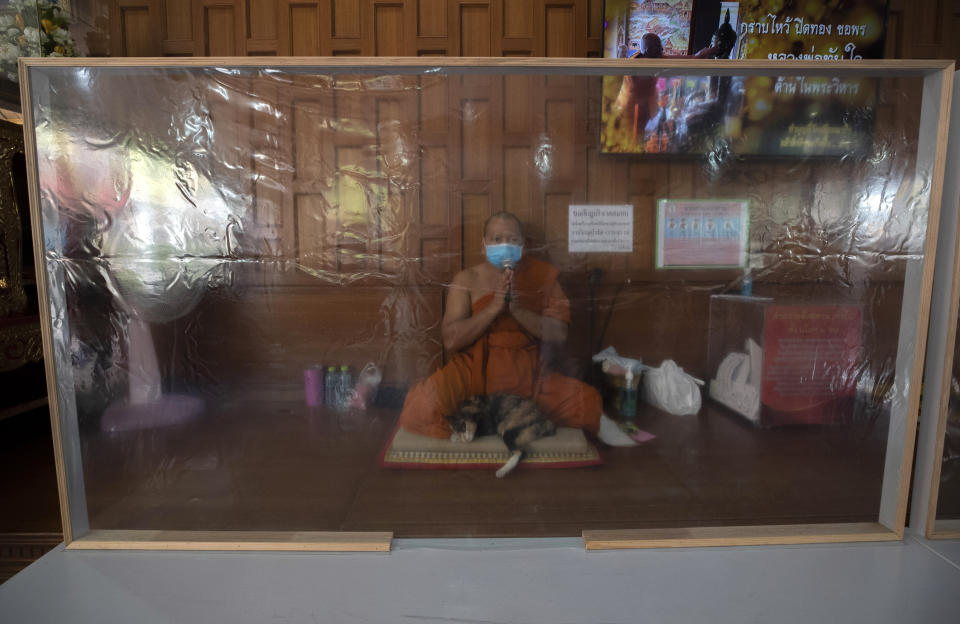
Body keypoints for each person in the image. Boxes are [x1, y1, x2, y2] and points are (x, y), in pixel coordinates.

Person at [398, 212, 635, 446]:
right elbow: (450, 341)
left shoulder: (543, 277)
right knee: (420, 406)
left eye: (512, 240)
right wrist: (493, 309)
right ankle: (498, 419)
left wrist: (518, 310)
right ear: (484, 245)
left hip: (528, 372)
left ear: (523, 245)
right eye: (496, 239)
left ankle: (489, 420)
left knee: (586, 400)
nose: (504, 245)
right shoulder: (466, 279)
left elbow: (559, 334)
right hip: (474, 372)